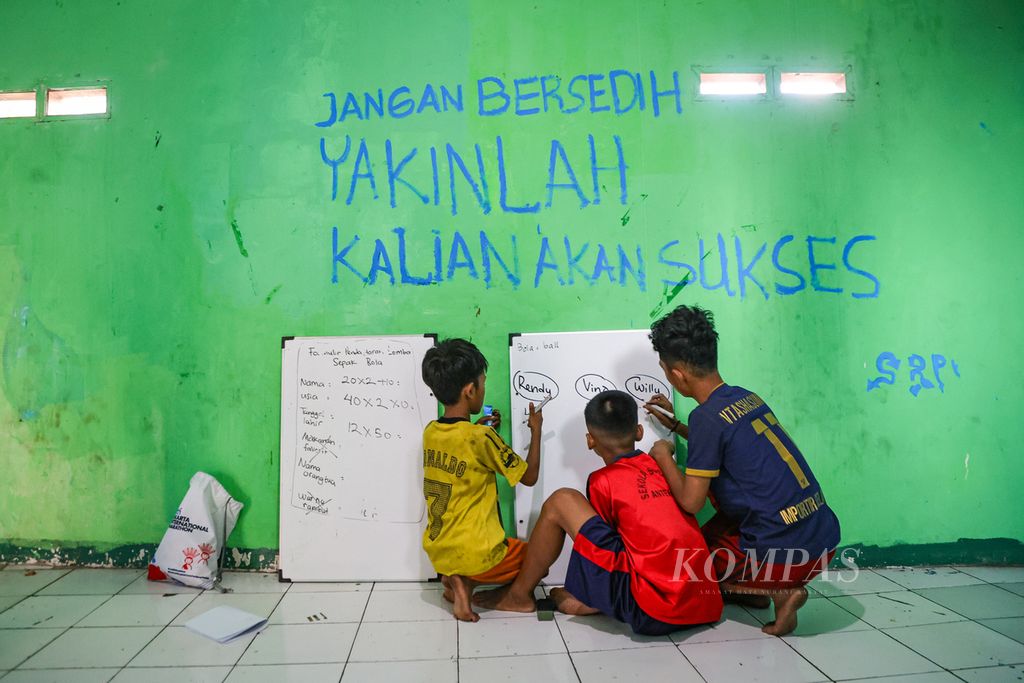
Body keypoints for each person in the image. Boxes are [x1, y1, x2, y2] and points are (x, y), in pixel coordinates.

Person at [644, 305, 841, 636]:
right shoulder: (744, 397)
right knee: (719, 528)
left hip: (791, 554)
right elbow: (727, 442)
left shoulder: (705, 418)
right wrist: (677, 425)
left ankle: (780, 590)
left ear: (677, 375)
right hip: (822, 535)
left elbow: (692, 502)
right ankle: (760, 590)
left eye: (665, 370)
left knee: (692, 563)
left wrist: (663, 455)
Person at [474, 390, 723, 634]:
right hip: (705, 602)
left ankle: (521, 596)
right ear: (638, 432)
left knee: (562, 500)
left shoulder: (602, 481)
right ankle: (584, 599)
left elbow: (601, 554)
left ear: (590, 440)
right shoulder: (660, 465)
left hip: (654, 610)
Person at [420, 338, 542, 622]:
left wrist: (478, 431)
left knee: (462, 546)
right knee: (538, 555)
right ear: (470, 390)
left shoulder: (431, 432)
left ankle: (454, 580)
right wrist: (536, 432)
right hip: (476, 554)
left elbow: (461, 448)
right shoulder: (481, 437)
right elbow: (531, 477)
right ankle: (475, 585)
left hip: (440, 551)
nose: (483, 390)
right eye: (483, 384)